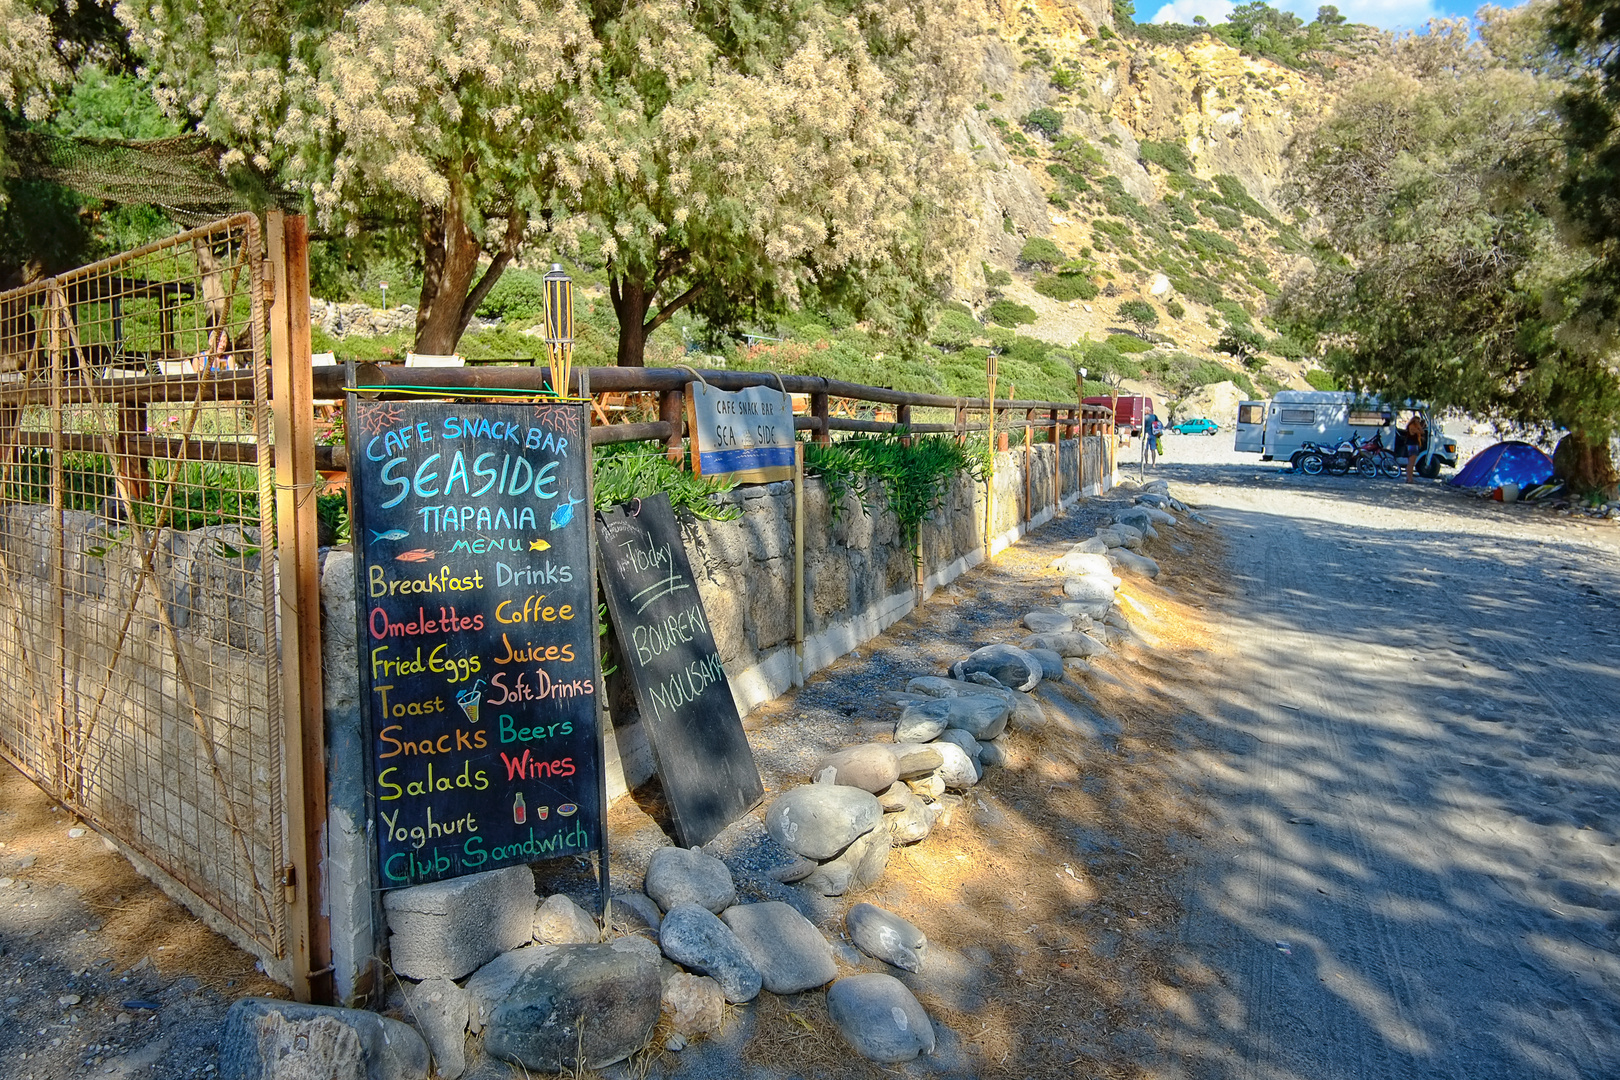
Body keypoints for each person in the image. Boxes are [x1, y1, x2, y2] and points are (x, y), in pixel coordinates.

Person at [1403, 413, 1427, 484]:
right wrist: (1419, 426)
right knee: (1411, 463)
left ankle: (1409, 478)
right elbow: (1421, 432)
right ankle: (1410, 479)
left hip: (1411, 445)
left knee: (1410, 463)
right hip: (1412, 445)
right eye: (1417, 421)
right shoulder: (1413, 426)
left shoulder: (1411, 426)